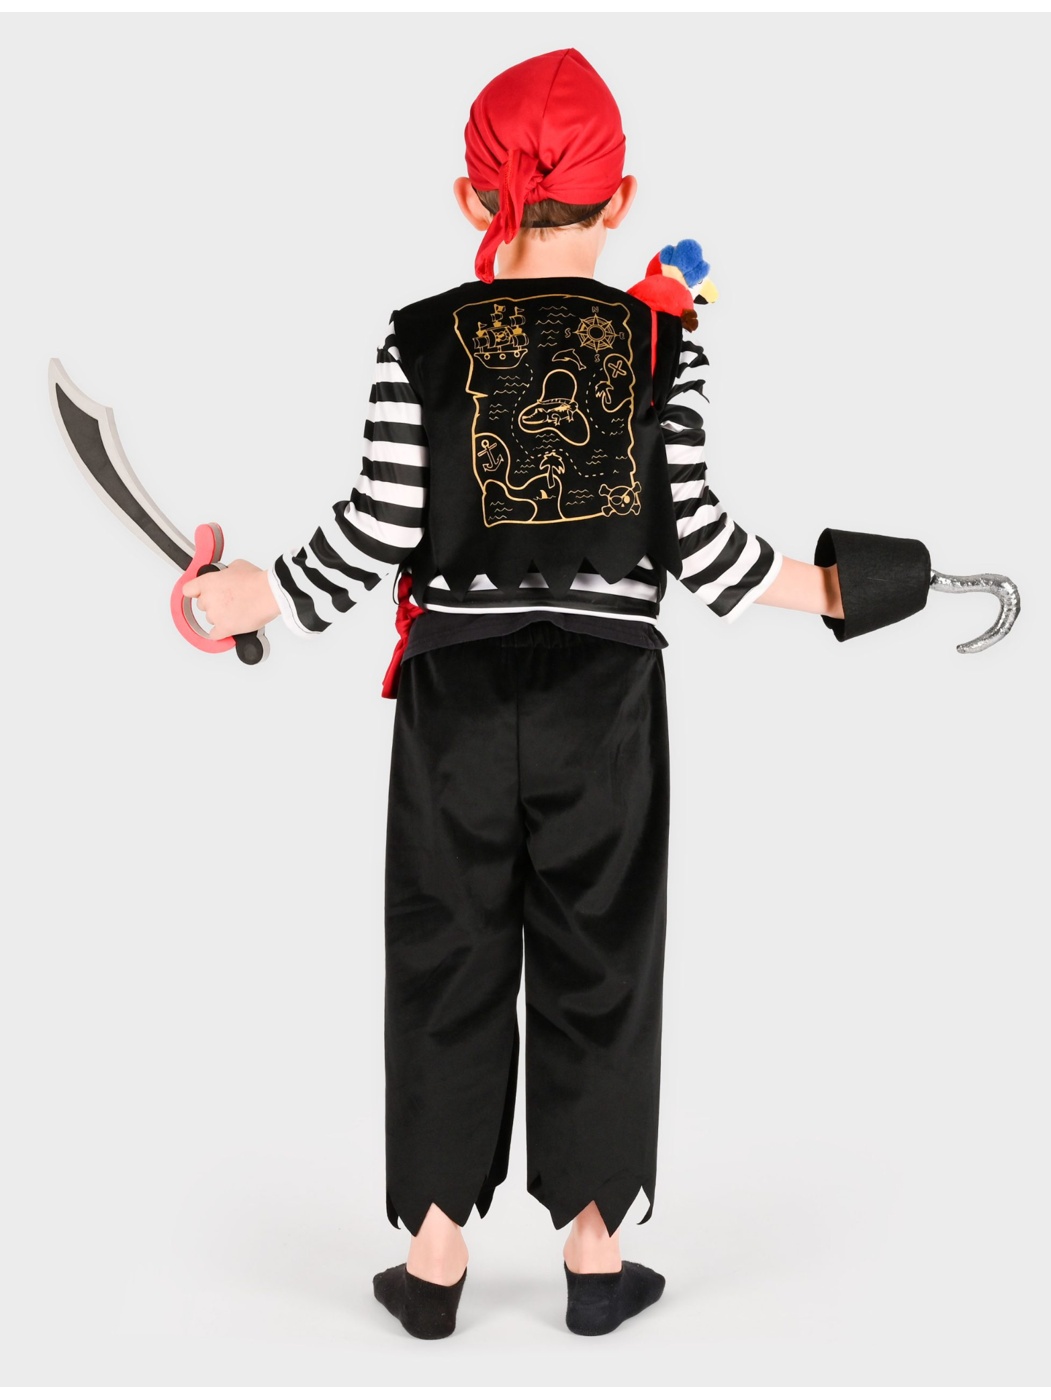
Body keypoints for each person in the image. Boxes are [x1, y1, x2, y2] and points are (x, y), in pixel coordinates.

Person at [181, 48, 935, 1340]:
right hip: (606, 699)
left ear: (474, 202)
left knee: (445, 948)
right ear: (622, 197)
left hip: (456, 700)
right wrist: (836, 589)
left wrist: (260, 598)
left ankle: (434, 1263)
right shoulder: (661, 342)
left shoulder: (418, 338)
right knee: (603, 953)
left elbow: (377, 527)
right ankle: (595, 1255)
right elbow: (703, 545)